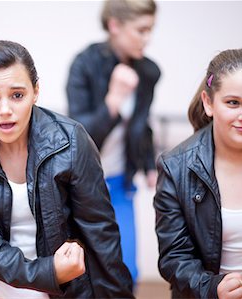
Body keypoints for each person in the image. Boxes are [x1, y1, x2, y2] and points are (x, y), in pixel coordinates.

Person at [0, 40, 134, 299]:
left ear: (36, 91)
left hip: (68, 289)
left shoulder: (72, 141)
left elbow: (101, 234)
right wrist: (50, 272)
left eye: (17, 95)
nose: (5, 110)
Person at [66, 0, 160, 284]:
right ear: (114, 25)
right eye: (141, 30)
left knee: (127, 273)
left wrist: (148, 165)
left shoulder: (148, 72)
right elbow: (79, 137)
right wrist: (114, 99)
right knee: (79, 274)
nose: (147, 38)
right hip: (80, 185)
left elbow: (141, 125)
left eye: (150, 30)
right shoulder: (84, 64)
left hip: (120, 182)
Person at [154, 48, 242, 299]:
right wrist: (212, 287)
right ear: (208, 103)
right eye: (233, 102)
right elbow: (174, 257)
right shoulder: (176, 167)